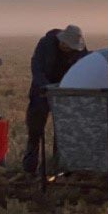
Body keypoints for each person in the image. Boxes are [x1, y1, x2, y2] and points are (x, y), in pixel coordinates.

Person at [22, 24, 89, 174]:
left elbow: (83, 68)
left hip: (64, 94)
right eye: (67, 46)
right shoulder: (45, 44)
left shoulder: (80, 49)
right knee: (35, 131)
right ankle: (29, 169)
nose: (70, 50)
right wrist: (46, 87)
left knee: (63, 132)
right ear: (61, 41)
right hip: (41, 92)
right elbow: (36, 67)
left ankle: (59, 168)